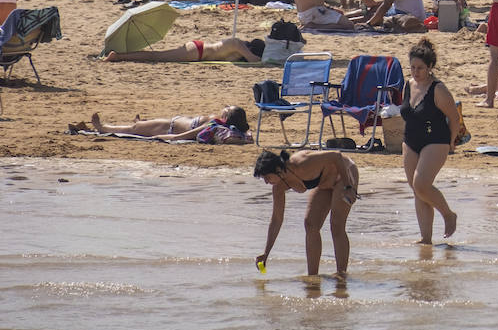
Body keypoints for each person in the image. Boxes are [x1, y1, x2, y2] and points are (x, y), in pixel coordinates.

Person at [252, 148, 359, 277]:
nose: (266, 182)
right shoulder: (278, 187)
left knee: (336, 225)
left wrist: (348, 186)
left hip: (344, 174)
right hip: (325, 183)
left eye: (267, 177)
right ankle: (312, 277)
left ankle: (341, 275)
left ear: (278, 170)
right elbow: (276, 220)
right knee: (310, 224)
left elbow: (336, 156)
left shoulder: (301, 162)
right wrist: (266, 253)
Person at [400, 38, 463, 245]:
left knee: (422, 184)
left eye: (420, 68)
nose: (415, 72)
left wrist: (452, 141)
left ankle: (448, 214)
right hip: (411, 141)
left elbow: (454, 118)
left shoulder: (438, 89)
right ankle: (425, 239)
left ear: (430, 68)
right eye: (412, 67)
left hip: (436, 139)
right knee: (417, 190)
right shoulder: (408, 85)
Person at [83, 106, 250, 142]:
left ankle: (103, 128)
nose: (224, 107)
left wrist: (160, 137)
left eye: (226, 109)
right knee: (140, 126)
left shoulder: (215, 123)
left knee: (133, 129)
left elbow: (185, 135)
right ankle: (142, 124)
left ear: (226, 117)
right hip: (172, 122)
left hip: (168, 127)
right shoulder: (221, 125)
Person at [104, 36, 266, 63]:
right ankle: (118, 56)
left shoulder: (235, 48)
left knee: (157, 56)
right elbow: (254, 60)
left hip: (197, 49)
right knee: (156, 56)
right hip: (196, 51)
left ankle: (120, 56)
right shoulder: (237, 44)